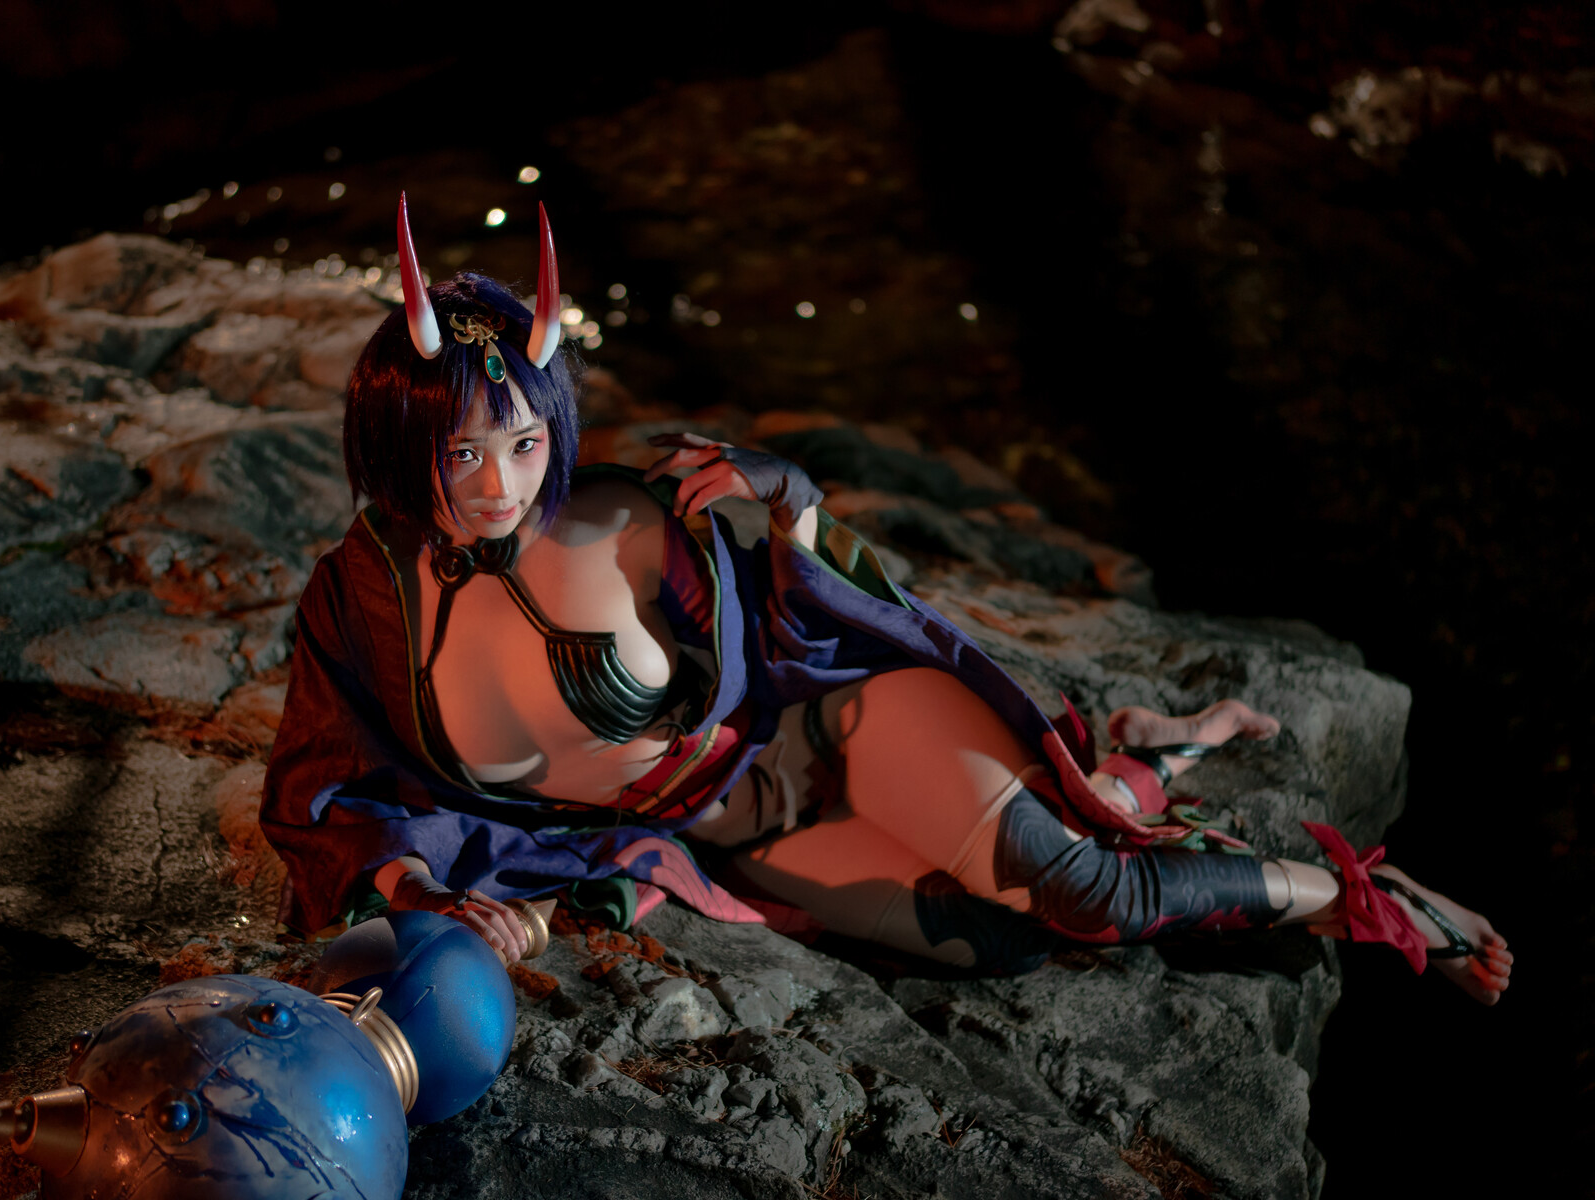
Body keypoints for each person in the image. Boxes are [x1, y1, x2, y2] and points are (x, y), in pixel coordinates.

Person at [260, 199, 1512, 1004]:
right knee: (1002, 942)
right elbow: (331, 787)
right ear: (401, 441)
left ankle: (1365, 901)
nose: (502, 484)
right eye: (464, 454)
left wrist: (790, 494)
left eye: (527, 443)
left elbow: (820, 597)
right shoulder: (357, 603)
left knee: (1086, 896)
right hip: (733, 829)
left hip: (845, 727)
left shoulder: (632, 517)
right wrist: (428, 895)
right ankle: (1141, 758)